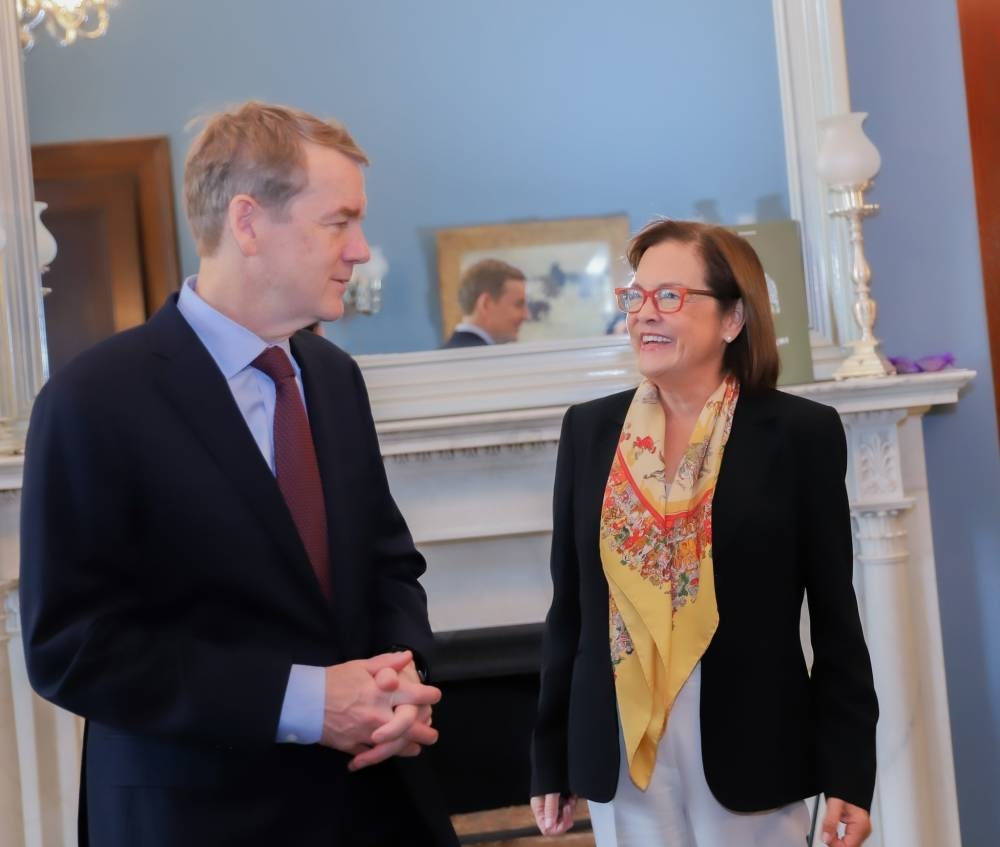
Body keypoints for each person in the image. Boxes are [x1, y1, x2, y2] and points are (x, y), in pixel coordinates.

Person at [19, 101, 458, 847]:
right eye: (338, 221)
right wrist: (306, 700)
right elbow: (73, 645)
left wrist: (395, 683)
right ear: (249, 223)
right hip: (194, 819)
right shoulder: (93, 399)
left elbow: (388, 565)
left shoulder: (335, 376)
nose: (359, 250)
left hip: (373, 808)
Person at [529, 219, 878, 847]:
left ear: (733, 319)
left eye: (670, 295)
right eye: (634, 296)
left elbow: (835, 615)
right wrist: (549, 755)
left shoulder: (801, 434)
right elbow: (570, 609)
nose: (644, 314)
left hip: (752, 744)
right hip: (621, 741)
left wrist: (850, 770)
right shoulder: (588, 431)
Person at [440, 258, 529, 348]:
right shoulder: (492, 360)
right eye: (518, 305)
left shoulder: (439, 357)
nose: (526, 316)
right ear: (486, 304)